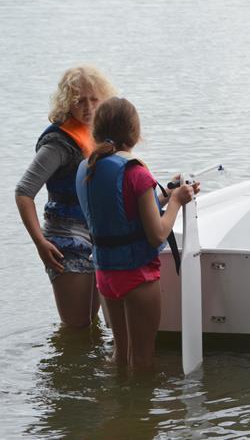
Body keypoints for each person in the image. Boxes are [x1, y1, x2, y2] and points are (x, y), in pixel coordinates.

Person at [75, 97, 196, 370]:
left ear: (96, 131)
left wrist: (167, 194)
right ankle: (139, 400)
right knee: (142, 361)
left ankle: (116, 397)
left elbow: (123, 213)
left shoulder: (88, 167)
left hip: (105, 274)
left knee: (120, 357)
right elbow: (157, 235)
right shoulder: (137, 173)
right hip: (136, 275)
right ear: (135, 133)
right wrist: (177, 202)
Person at [15, 65, 117, 328]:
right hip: (65, 242)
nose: (88, 107)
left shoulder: (99, 135)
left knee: (91, 323)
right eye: (79, 101)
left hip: (96, 238)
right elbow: (24, 192)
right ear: (66, 102)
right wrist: (40, 243)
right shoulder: (57, 143)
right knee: (76, 326)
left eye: (94, 99)